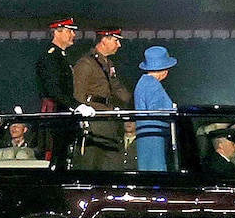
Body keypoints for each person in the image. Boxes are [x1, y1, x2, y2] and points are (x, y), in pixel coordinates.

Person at [75, 27, 134, 167]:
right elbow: (78, 93)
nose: (119, 45)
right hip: (94, 120)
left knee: (112, 161)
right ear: (104, 40)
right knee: (92, 161)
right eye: (116, 40)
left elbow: (117, 88)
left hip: (107, 117)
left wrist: (133, 102)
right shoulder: (86, 63)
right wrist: (82, 119)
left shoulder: (107, 64)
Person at [133, 45, 177, 171]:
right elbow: (158, 112)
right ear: (164, 70)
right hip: (154, 136)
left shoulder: (143, 82)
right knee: (156, 171)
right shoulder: (152, 84)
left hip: (146, 135)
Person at [35, 17, 79, 112]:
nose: (73, 35)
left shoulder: (61, 55)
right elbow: (53, 89)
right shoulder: (50, 57)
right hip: (55, 111)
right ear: (56, 32)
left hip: (63, 109)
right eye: (69, 31)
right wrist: (76, 105)